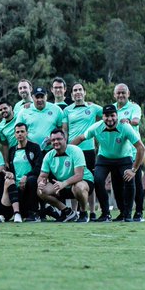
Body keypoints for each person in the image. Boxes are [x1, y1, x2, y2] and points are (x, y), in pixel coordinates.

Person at [71, 105, 145, 222]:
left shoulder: (125, 127)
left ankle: (126, 214)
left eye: (112, 115)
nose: (109, 118)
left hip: (124, 157)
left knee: (129, 180)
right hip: (104, 158)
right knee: (98, 179)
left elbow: (141, 148)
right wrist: (68, 150)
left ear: (117, 116)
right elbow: (81, 138)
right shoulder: (96, 127)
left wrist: (134, 170)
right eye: (106, 116)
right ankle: (105, 214)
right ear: (103, 116)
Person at [63, 82, 102, 220]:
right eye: (75, 90)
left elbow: (111, 113)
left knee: (90, 181)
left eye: (80, 89)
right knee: (74, 180)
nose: (78, 92)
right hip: (73, 150)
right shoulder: (67, 110)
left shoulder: (93, 107)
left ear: (84, 92)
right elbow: (64, 131)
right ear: (72, 94)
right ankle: (75, 212)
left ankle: (92, 211)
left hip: (88, 149)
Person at [37, 129, 91, 223]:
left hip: (82, 181)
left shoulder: (75, 150)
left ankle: (83, 213)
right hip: (62, 185)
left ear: (65, 139)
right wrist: (41, 183)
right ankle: (67, 212)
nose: (56, 142)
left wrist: (64, 183)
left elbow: (79, 175)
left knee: (78, 187)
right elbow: (42, 175)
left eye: (59, 139)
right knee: (41, 191)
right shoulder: (49, 155)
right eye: (53, 140)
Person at [113, 83, 145, 221]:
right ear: (114, 94)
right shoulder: (112, 108)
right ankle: (123, 212)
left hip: (133, 152)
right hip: (118, 153)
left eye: (123, 93)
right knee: (118, 185)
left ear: (128, 93)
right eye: (118, 93)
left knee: (136, 183)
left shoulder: (134, 107)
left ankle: (138, 212)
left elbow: (136, 121)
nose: (121, 95)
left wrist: (129, 121)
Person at [6, 123, 42, 222]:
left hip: (31, 182)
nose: (20, 134)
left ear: (27, 133)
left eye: (22, 131)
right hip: (17, 184)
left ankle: (34, 213)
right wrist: (9, 174)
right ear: (14, 134)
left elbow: (38, 167)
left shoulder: (35, 147)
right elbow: (10, 168)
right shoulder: (12, 150)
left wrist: (26, 176)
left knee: (31, 180)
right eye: (17, 132)